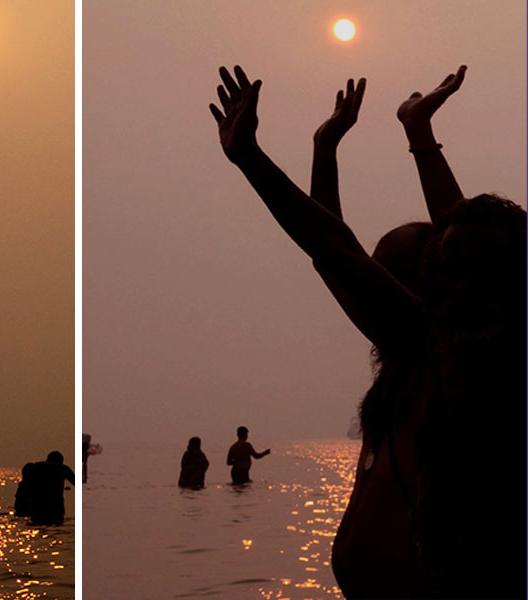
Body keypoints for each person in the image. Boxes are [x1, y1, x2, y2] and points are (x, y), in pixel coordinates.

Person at [209, 64, 525, 598]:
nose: (368, 273)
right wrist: (332, 147)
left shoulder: (461, 360)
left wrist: (252, 161)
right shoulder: (420, 358)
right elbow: (335, 246)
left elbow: (334, 246)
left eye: (383, 270)